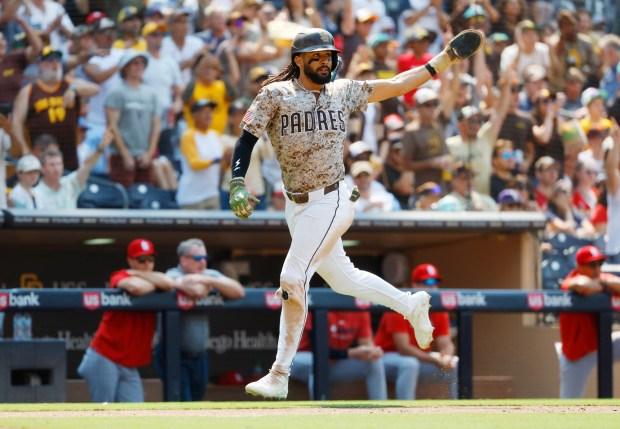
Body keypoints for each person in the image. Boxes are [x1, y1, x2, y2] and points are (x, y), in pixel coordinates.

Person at [229, 27, 482, 399]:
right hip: (297, 205)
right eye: (315, 55)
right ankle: (410, 305)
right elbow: (246, 138)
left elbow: (397, 84)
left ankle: (279, 374)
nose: (324, 61)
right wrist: (237, 181)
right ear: (298, 59)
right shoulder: (275, 94)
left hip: (332, 199)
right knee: (344, 280)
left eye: (328, 55)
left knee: (292, 277)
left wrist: (443, 59)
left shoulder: (343, 90)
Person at [78, 239, 176, 402]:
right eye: (141, 260)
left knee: (135, 415)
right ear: (130, 260)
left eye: (150, 259)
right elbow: (136, 288)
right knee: (103, 416)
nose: (146, 264)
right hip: (105, 357)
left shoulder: (151, 277)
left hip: (128, 364)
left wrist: (141, 275)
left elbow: (169, 282)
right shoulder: (119, 275)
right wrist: (153, 282)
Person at [155, 238, 245, 401]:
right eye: (197, 258)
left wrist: (208, 280)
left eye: (205, 258)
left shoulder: (207, 275)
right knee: (182, 404)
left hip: (200, 356)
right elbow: (196, 291)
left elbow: (238, 291)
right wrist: (211, 284)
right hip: (173, 355)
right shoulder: (172, 275)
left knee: (197, 401)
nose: (203, 262)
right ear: (184, 259)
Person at [374, 263, 458, 399]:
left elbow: (446, 343)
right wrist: (433, 359)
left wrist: (447, 357)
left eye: (435, 282)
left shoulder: (439, 310)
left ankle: (458, 408)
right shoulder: (400, 304)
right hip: (386, 358)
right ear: (415, 285)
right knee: (409, 364)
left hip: (419, 359)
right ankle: (407, 409)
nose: (433, 286)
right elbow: (403, 348)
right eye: (427, 282)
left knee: (455, 363)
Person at [11, 46, 99, 168]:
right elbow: (16, 122)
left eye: (57, 60)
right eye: (50, 61)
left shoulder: (69, 83)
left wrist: (74, 89)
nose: (55, 64)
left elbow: (95, 89)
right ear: (40, 65)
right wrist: (24, 148)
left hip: (69, 154)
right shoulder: (29, 91)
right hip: (40, 156)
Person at [557, 245, 620, 398]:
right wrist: (606, 286)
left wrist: (602, 284)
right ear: (580, 266)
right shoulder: (571, 280)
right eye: (592, 265)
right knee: (568, 408)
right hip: (577, 354)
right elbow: (581, 286)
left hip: (602, 345)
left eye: (599, 264)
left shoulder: (601, 279)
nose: (597, 268)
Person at [289, 310, 387, 400]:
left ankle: (382, 409)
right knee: (319, 363)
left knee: (374, 362)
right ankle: (319, 410)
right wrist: (351, 353)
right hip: (302, 359)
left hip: (333, 363)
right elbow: (319, 350)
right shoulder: (319, 306)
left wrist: (372, 352)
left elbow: (367, 345)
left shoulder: (359, 309)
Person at [105, 50, 160, 188]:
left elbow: (156, 126)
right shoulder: (116, 92)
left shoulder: (151, 93)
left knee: (145, 197)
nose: (140, 66)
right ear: (125, 67)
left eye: (142, 63)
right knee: (123, 200)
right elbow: (112, 126)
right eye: (135, 63)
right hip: (121, 157)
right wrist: (125, 155)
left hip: (144, 156)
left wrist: (149, 154)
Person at [33, 128, 112, 209]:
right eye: (52, 165)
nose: (56, 168)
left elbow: (87, 165)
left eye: (58, 164)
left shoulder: (70, 183)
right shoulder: (35, 193)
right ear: (42, 168)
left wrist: (99, 149)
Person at [176, 99, 224, 210]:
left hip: (212, 195)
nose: (209, 115)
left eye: (210, 112)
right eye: (204, 112)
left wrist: (227, 159)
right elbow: (194, 163)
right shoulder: (188, 135)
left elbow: (222, 165)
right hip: (191, 197)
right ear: (194, 116)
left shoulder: (216, 135)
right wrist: (216, 160)